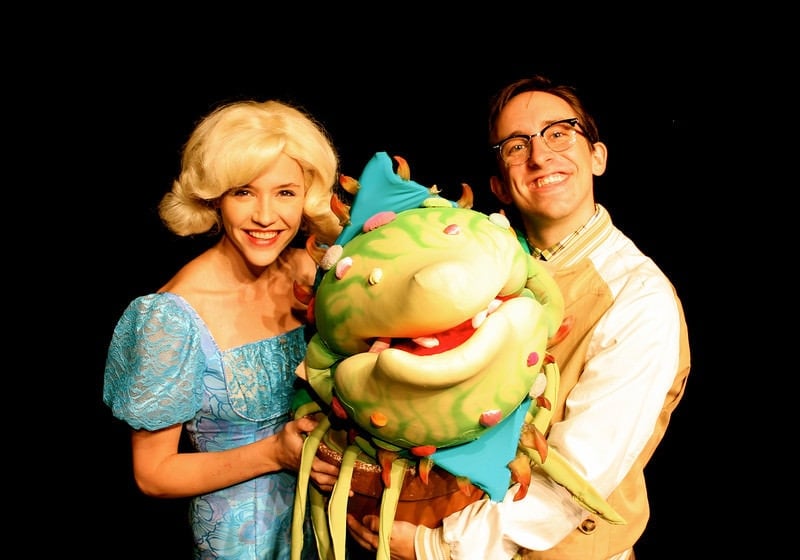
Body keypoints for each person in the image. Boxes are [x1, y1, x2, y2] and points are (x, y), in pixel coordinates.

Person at [346, 75, 691, 559]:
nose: (540, 156)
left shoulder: (637, 296)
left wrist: (437, 546)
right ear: (499, 186)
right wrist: (352, 463)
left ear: (597, 156)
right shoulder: (470, 261)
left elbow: (582, 471)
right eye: (516, 145)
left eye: (559, 133)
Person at [103, 99, 343, 560]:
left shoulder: (311, 271)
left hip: (332, 528)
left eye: (285, 193)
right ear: (215, 196)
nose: (266, 216)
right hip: (242, 545)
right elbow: (152, 475)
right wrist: (274, 453)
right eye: (244, 192)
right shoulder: (169, 317)